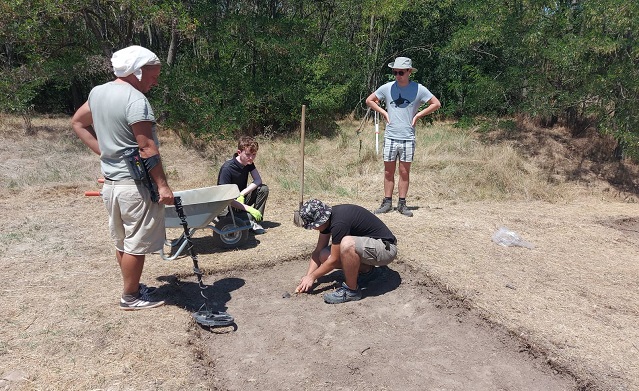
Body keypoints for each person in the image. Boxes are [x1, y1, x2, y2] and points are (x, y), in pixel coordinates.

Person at [71, 45, 174, 310]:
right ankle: (130, 297)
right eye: (153, 76)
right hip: (135, 186)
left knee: (123, 241)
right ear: (137, 71)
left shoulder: (98, 92)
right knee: (136, 245)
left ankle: (133, 287)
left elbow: (78, 123)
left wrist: (105, 154)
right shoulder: (135, 100)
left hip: (113, 185)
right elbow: (147, 148)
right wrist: (162, 186)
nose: (155, 81)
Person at [366, 56, 441, 217]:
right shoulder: (387, 88)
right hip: (391, 136)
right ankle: (387, 202)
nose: (397, 75)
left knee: (404, 172)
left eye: (401, 72)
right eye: (395, 72)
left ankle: (402, 203)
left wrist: (418, 116)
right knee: (388, 171)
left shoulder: (419, 89)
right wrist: (384, 112)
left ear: (409, 72)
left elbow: (436, 103)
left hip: (407, 137)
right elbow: (370, 100)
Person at [295, 199, 398, 304]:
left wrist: (313, 277)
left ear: (320, 221)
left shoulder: (339, 222)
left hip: (386, 249)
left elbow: (334, 260)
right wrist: (308, 277)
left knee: (347, 244)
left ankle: (351, 290)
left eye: (314, 225)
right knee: (324, 255)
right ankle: (368, 271)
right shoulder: (328, 220)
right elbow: (318, 252)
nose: (313, 228)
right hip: (371, 247)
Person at [217, 135, 269, 234]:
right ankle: (248, 221)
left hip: (240, 200)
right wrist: (249, 209)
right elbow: (224, 198)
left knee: (263, 189)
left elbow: (258, 180)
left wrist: (242, 194)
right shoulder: (227, 169)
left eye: (254, 154)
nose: (251, 158)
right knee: (248, 216)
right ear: (239, 152)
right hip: (227, 206)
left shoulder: (248, 163)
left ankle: (254, 221)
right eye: (248, 154)